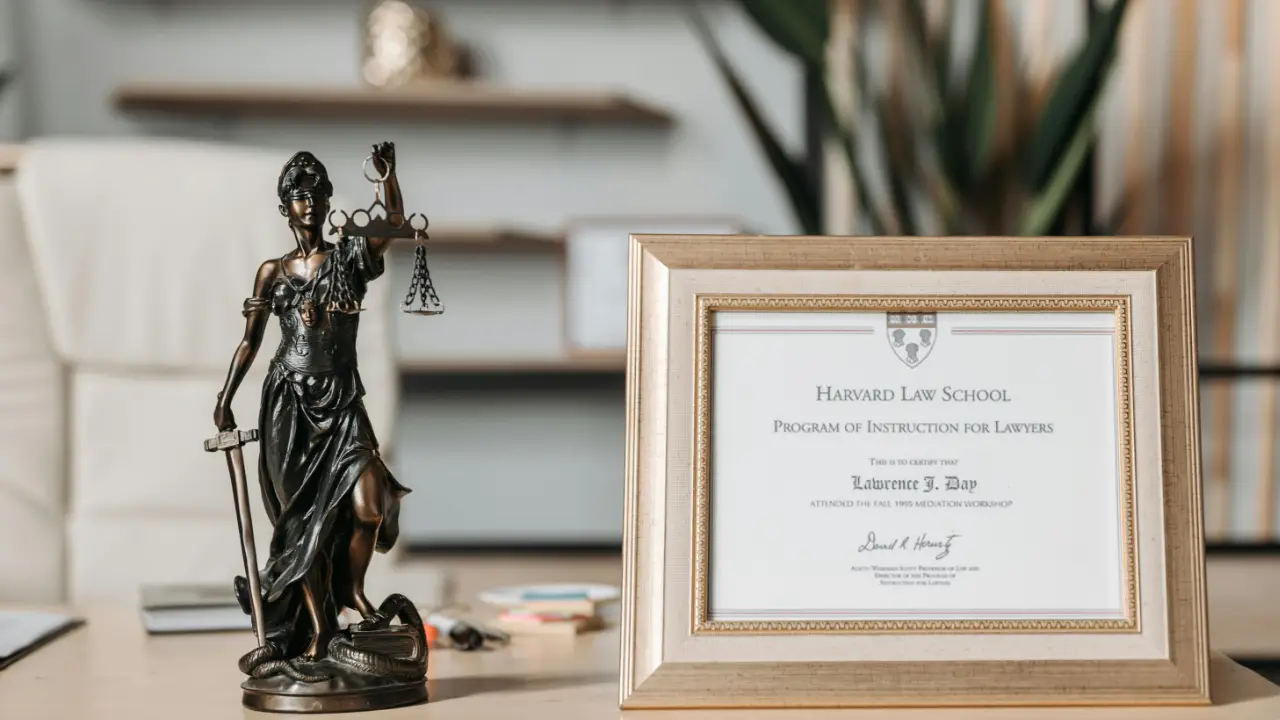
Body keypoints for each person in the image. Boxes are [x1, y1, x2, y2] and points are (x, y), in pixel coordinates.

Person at [213, 143, 408, 661]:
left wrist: (385, 178)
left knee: (368, 504)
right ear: (285, 208)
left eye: (319, 194)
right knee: (302, 529)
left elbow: (391, 221)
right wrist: (225, 399)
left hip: (342, 403)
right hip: (288, 407)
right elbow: (250, 341)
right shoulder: (271, 273)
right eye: (300, 196)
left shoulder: (348, 258)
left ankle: (352, 591)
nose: (311, 203)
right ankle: (320, 631)